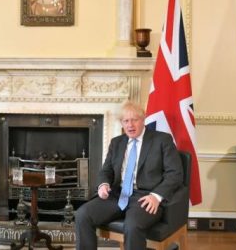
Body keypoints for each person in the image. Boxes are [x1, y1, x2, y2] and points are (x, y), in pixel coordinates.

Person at [75, 100, 183, 250]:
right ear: (122, 123)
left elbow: (175, 174)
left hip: (145, 197)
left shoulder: (161, 140)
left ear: (143, 120)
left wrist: (156, 196)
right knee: (82, 215)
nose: (130, 125)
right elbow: (106, 170)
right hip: (117, 195)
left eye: (134, 120)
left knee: (132, 226)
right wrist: (103, 184)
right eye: (126, 121)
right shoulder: (116, 143)